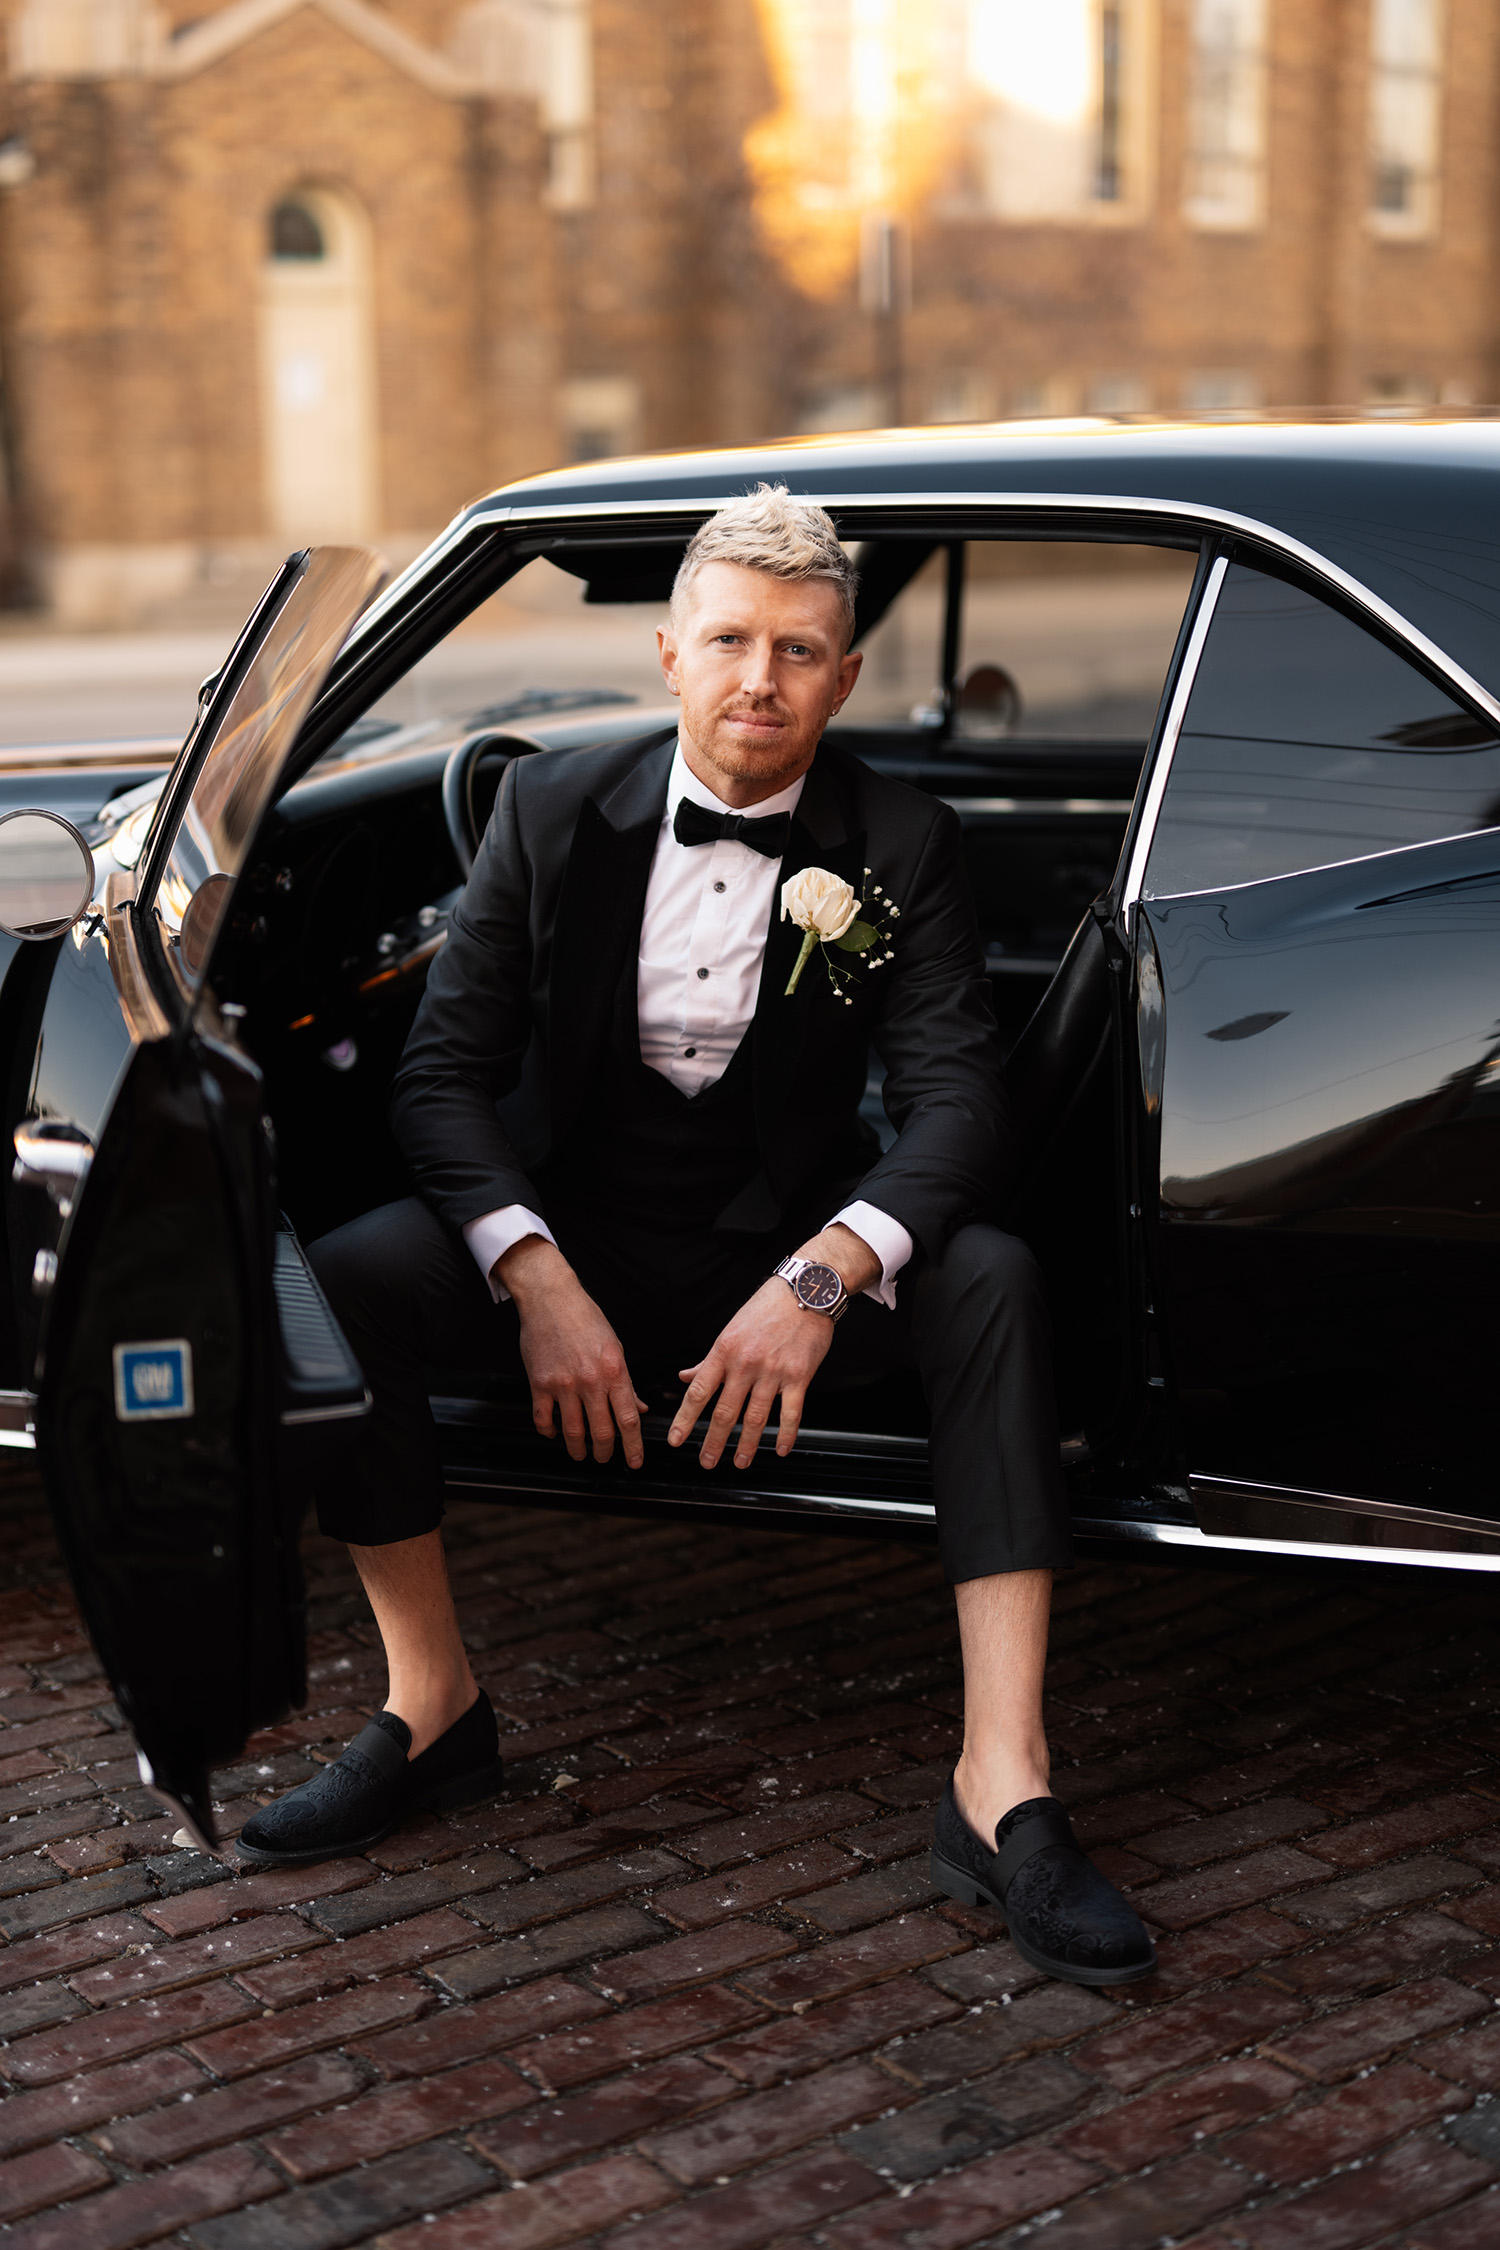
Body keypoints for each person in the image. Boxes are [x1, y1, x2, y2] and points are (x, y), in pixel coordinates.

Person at [237, 486, 1153, 1987]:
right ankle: (432, 1702)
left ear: (845, 679)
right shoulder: (549, 810)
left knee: (989, 1276)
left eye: (801, 650)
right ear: (668, 654)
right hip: (575, 1234)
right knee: (344, 1278)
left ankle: (1004, 1784)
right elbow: (439, 1077)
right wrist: (534, 1278)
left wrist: (822, 1275)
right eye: (730, 639)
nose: (761, 681)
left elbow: (956, 1110)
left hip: (779, 1256)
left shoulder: (904, 837)